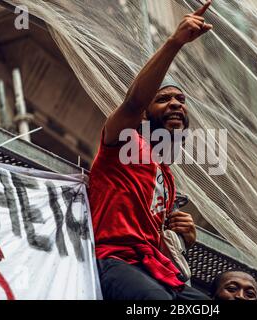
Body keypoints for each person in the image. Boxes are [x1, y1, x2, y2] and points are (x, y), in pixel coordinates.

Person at [88, 1, 214, 300]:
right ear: (145, 115)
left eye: (181, 100)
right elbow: (133, 102)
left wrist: (182, 239)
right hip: (114, 262)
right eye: (164, 99)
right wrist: (174, 42)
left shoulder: (167, 178)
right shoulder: (122, 143)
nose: (176, 104)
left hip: (157, 271)